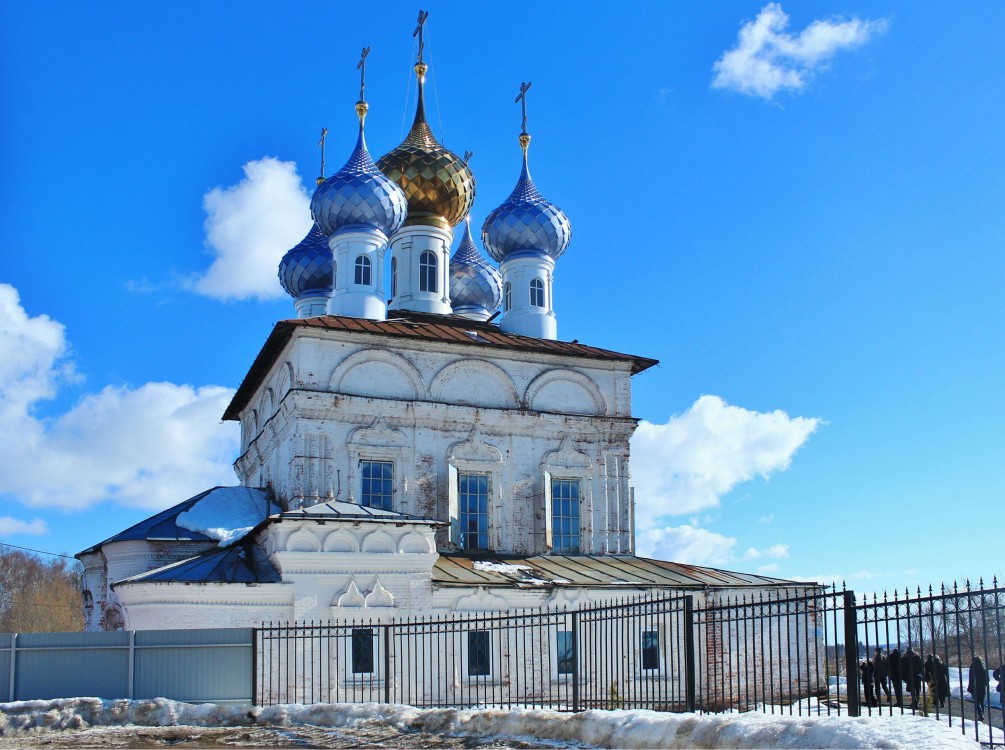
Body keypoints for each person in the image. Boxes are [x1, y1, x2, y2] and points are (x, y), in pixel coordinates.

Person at [968, 656, 989, 721]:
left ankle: (980, 714)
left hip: (975, 686)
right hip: (982, 686)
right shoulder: (984, 666)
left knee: (976, 702)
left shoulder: (973, 666)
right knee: (981, 701)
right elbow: (987, 677)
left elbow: (971, 677)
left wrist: (970, 687)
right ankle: (982, 714)